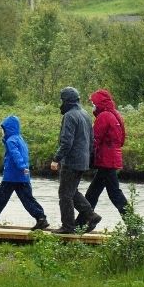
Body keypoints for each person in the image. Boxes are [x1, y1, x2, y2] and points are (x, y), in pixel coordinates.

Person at [0, 115, 49, 231]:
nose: (2, 131)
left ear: (8, 129)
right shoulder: (20, 139)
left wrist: (21, 166)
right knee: (28, 199)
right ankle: (41, 218)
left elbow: (16, 155)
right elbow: (24, 155)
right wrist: (24, 168)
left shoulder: (11, 141)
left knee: (0, 198)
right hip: (23, 177)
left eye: (3, 129)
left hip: (11, 175)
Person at [49, 86, 101, 234]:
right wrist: (88, 158)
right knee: (71, 192)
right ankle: (91, 215)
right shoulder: (85, 114)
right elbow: (91, 140)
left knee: (64, 194)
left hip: (71, 161)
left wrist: (56, 159)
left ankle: (68, 226)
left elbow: (66, 142)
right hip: (82, 161)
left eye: (62, 100)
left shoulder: (70, 116)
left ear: (66, 101)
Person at [76, 89, 127, 226]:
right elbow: (121, 140)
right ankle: (81, 223)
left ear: (100, 103)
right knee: (93, 193)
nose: (93, 105)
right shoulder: (114, 115)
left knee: (114, 194)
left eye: (94, 103)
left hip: (106, 161)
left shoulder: (103, 116)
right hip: (111, 159)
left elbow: (94, 139)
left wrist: (84, 153)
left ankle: (133, 225)